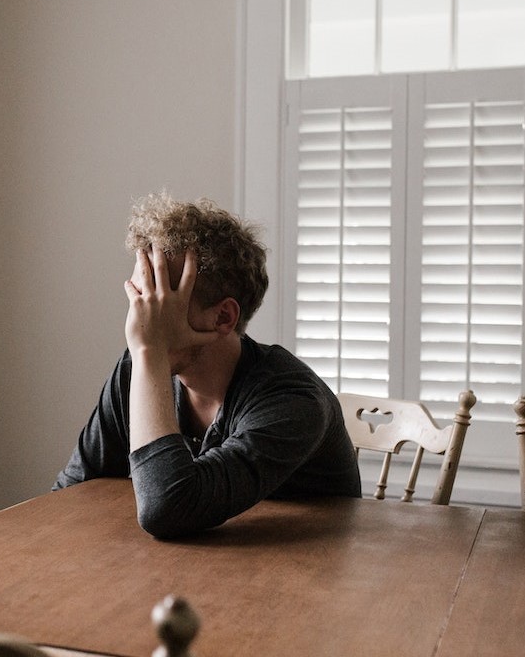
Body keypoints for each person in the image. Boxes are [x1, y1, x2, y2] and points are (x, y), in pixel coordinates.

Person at [53, 193, 361, 539]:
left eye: (159, 300)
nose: (139, 319)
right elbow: (70, 494)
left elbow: (167, 508)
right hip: (190, 569)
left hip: (307, 575)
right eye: (139, 297)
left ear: (223, 316)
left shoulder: (292, 400)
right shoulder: (137, 369)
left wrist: (150, 352)